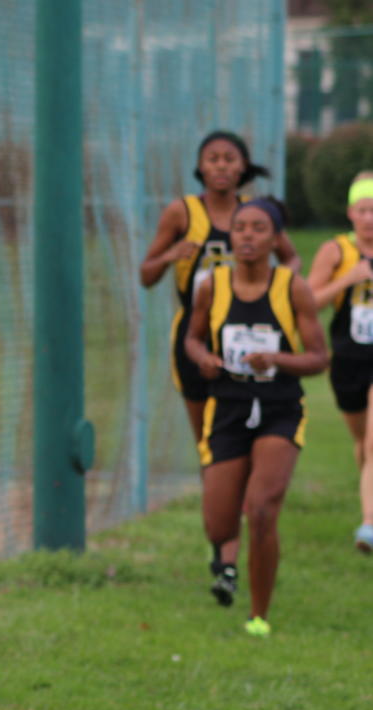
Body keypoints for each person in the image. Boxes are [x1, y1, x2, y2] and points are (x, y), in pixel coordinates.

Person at [138, 130, 298, 603]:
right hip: (197, 345)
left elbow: (292, 259)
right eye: (213, 158)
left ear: (244, 166)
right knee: (214, 448)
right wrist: (171, 255)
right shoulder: (182, 214)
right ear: (200, 167)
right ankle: (225, 556)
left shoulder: (257, 216)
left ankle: (235, 549)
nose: (223, 166)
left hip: (252, 347)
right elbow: (146, 275)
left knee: (249, 447)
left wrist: (283, 298)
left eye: (231, 159)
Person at [185, 197, 326, 637]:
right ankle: (226, 562)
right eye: (240, 227)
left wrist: (278, 360)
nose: (246, 235)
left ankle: (259, 615)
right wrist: (203, 357)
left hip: (279, 410)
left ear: (274, 238)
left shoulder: (292, 288)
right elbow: (191, 338)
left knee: (262, 509)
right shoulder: (212, 285)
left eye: (258, 228)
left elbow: (320, 358)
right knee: (219, 523)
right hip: (226, 408)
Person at [305, 171, 373, 553]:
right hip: (347, 359)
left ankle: (368, 525)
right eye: (363, 210)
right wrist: (348, 279)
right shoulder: (336, 251)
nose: (370, 218)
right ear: (351, 213)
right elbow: (308, 302)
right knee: (363, 443)